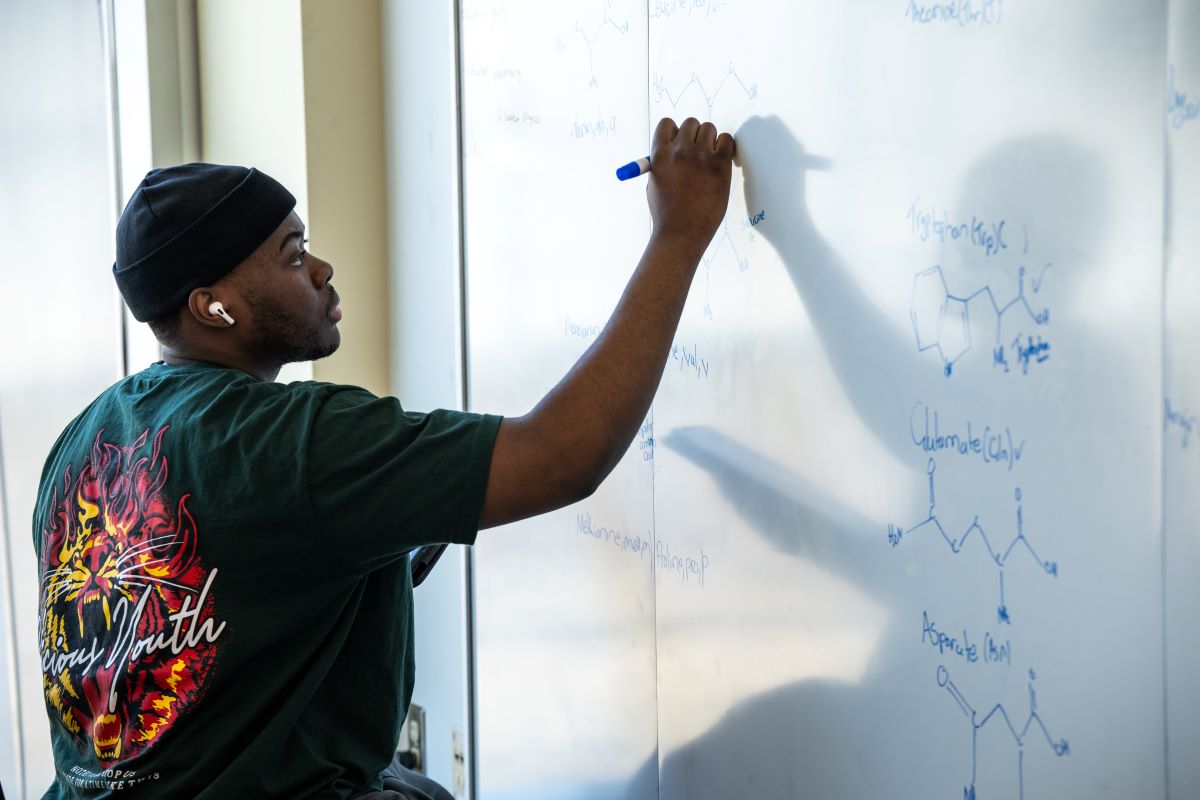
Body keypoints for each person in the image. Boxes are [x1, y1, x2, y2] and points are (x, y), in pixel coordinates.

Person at [33, 116, 735, 799]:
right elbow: (563, 456)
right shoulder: (293, 440)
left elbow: (208, 586)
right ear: (214, 308)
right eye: (292, 253)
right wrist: (679, 235)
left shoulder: (82, 444)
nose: (321, 267)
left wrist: (382, 545)